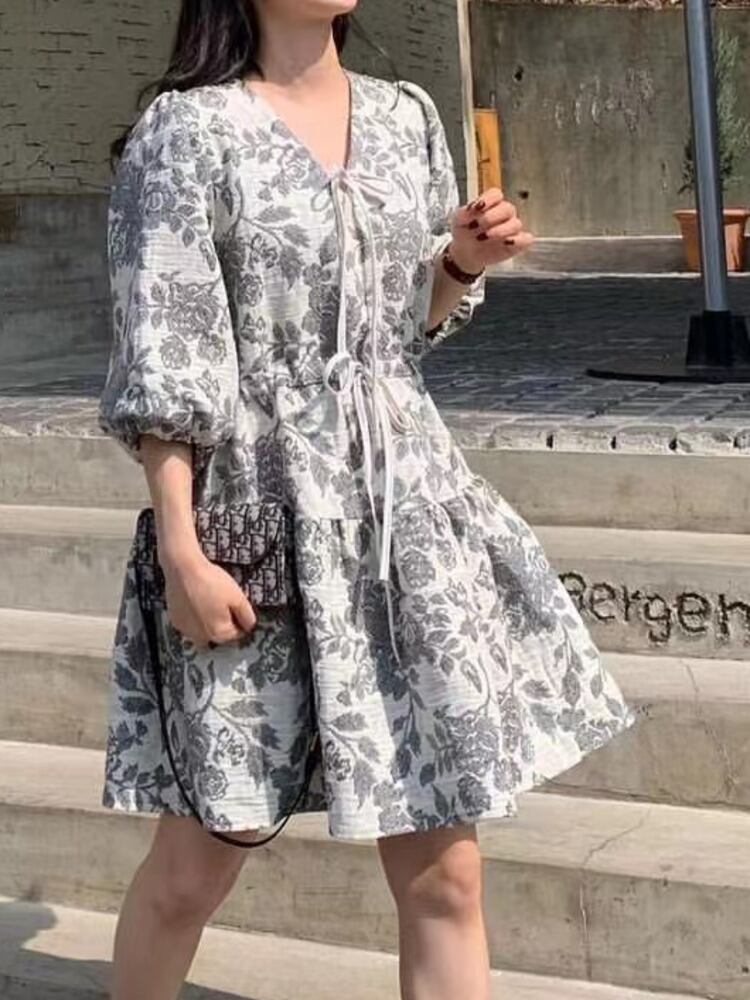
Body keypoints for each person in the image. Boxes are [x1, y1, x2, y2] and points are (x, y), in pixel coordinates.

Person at [97, 1, 636, 997]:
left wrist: (460, 262)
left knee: (447, 873)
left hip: (402, 522)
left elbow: (399, 329)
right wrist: (180, 551)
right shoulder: (190, 132)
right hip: (253, 521)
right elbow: (166, 354)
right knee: (196, 865)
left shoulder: (405, 116)